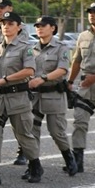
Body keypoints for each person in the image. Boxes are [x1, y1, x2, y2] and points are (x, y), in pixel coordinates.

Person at [0, 12, 43, 183]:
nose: (6, 27)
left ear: (19, 27)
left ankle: (35, 165)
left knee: (23, 135)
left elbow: (30, 71)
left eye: (10, 23)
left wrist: (6, 79)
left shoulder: (25, 47)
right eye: (3, 23)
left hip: (18, 98)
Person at [27, 15, 77, 176]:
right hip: (35, 98)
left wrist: (42, 79)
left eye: (43, 25)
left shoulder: (61, 47)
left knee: (57, 132)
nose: (39, 28)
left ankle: (69, 159)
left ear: (53, 28)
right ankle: (33, 166)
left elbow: (63, 69)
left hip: (53, 94)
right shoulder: (32, 49)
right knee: (31, 132)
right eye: (37, 26)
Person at [0, 0, 29, 166]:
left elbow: (25, 56)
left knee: (22, 128)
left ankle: (26, 154)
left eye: (2, 7)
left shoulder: (20, 29)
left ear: (10, 8)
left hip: (17, 86)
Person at [67, 2, 95, 173]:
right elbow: (77, 61)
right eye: (89, 12)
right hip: (86, 88)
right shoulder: (83, 36)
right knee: (79, 121)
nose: (92, 14)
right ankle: (77, 160)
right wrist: (70, 81)